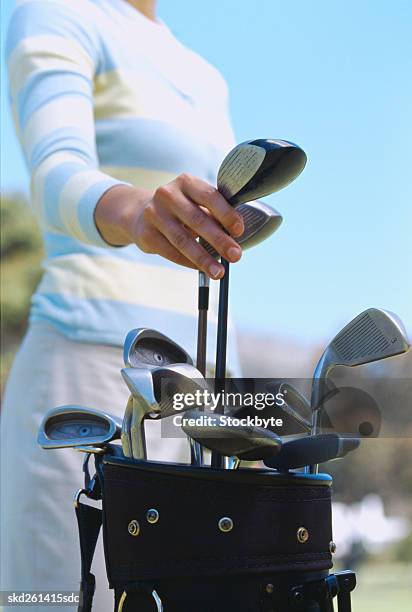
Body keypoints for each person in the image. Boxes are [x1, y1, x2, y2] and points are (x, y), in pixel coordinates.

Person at [0, 0, 244, 609]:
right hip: (87, 363)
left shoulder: (204, 73)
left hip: (200, 391)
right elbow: (55, 171)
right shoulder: (57, 13)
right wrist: (138, 212)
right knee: (58, 598)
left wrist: (238, 404)